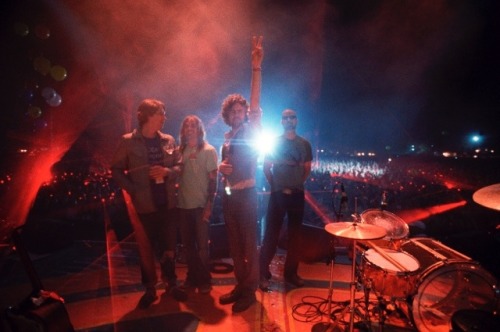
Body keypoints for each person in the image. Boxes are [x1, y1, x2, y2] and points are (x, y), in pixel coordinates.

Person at [110, 98, 187, 309]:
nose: (165, 118)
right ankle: (150, 288)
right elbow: (116, 169)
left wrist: (168, 172)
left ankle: (171, 284)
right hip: (144, 207)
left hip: (168, 204)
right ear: (148, 116)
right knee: (146, 250)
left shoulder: (168, 140)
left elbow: (180, 165)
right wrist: (133, 189)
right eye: (161, 113)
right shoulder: (127, 142)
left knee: (169, 247)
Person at [217, 35, 263, 313]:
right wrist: (221, 170)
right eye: (233, 111)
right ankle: (240, 285)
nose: (238, 113)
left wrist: (256, 68)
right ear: (227, 114)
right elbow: (225, 167)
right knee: (234, 246)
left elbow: (256, 102)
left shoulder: (250, 129)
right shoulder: (226, 136)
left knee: (248, 245)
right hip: (229, 196)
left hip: (247, 195)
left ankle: (250, 290)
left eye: (240, 110)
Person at [259, 108, 313, 291]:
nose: (289, 120)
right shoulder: (274, 143)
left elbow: (307, 168)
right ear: (281, 122)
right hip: (278, 195)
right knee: (271, 234)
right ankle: (262, 272)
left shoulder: (304, 144)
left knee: (295, 236)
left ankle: (291, 273)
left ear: (296, 121)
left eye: (292, 117)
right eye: (285, 117)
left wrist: (296, 183)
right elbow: (266, 168)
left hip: (297, 194)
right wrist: (277, 185)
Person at [177, 115, 218, 294]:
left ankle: (204, 279)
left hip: (201, 205)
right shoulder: (180, 151)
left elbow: (213, 181)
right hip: (183, 206)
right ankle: (192, 277)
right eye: (187, 126)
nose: (190, 128)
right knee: (188, 246)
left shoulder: (209, 151)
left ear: (199, 129)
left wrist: (210, 205)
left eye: (193, 125)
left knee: (202, 247)